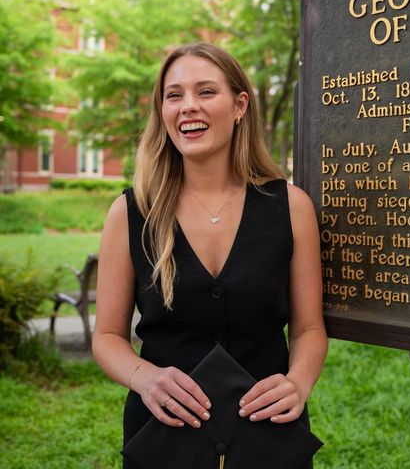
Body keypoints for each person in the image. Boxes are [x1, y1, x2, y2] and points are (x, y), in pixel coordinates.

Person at [92, 42, 328, 467]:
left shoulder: (291, 207)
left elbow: (309, 328)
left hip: (268, 437)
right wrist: (145, 379)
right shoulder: (129, 213)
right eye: (174, 94)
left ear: (240, 105)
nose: (187, 107)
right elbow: (107, 337)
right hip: (165, 438)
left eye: (205, 92)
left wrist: (298, 382)